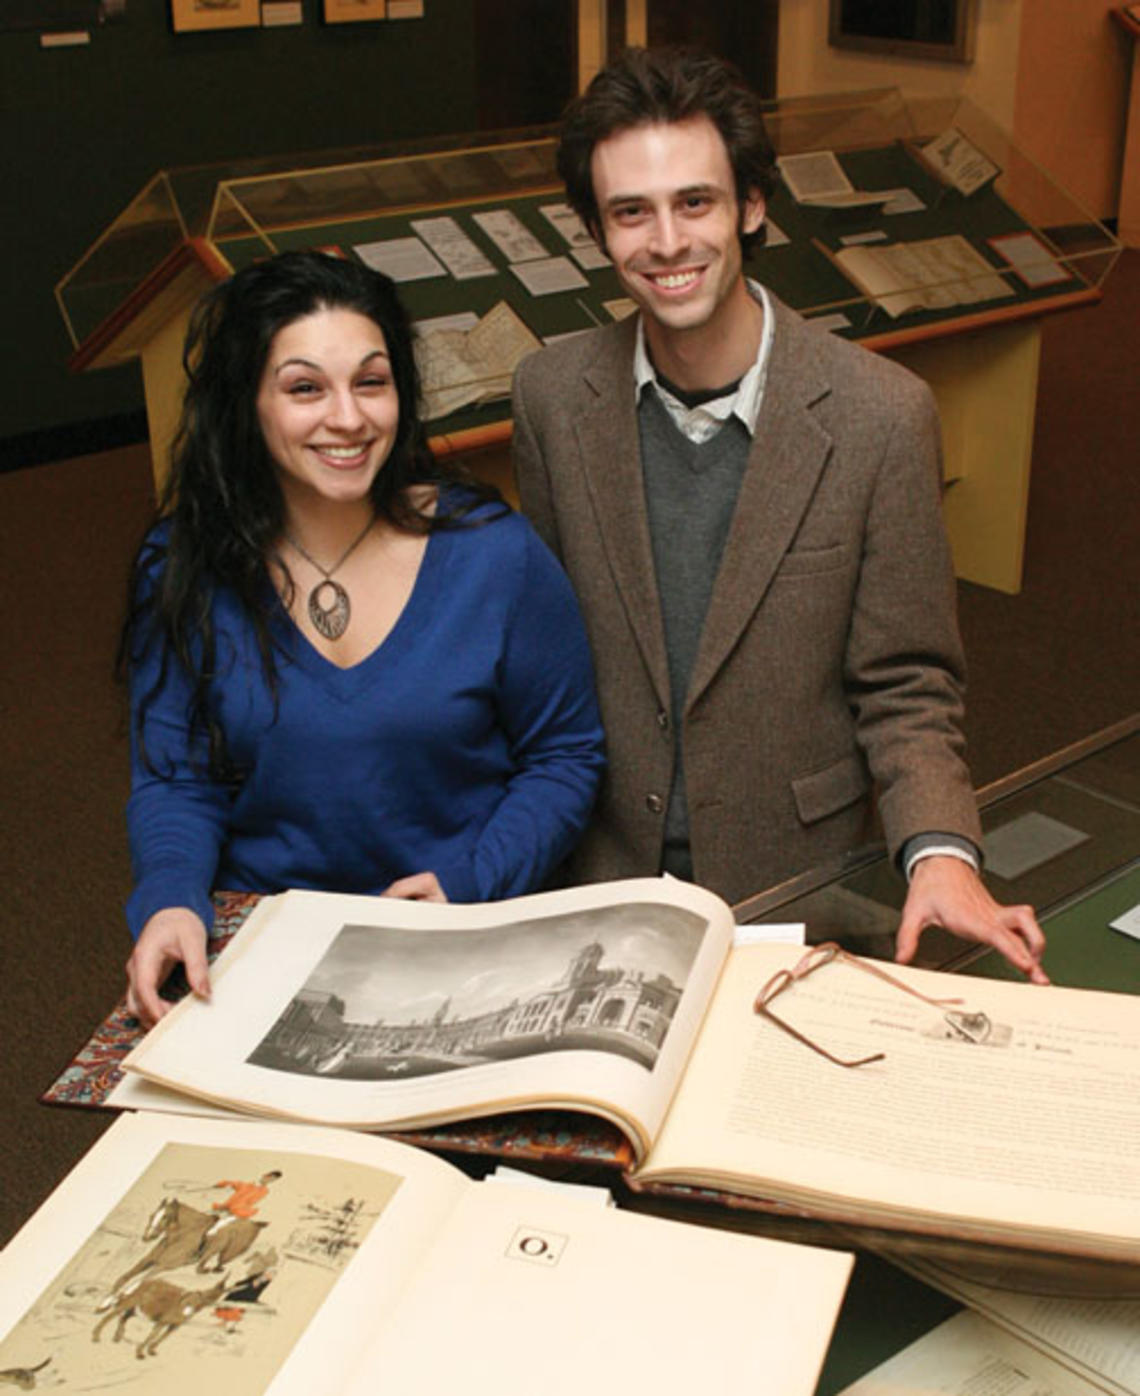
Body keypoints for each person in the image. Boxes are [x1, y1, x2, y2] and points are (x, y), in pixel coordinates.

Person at [511, 46, 1047, 981]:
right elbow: (544, 665)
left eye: (696, 202)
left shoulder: (880, 415)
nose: (667, 241)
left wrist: (941, 851)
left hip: (800, 890)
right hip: (601, 884)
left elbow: (908, 680)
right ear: (598, 230)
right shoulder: (552, 398)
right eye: (631, 211)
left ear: (751, 205)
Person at [123, 250, 605, 1026]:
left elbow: (566, 754)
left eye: (370, 382)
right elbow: (176, 779)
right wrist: (171, 899)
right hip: (270, 949)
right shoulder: (182, 564)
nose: (347, 418)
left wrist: (471, 876)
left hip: (465, 938)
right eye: (305, 388)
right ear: (247, 402)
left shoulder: (493, 552)